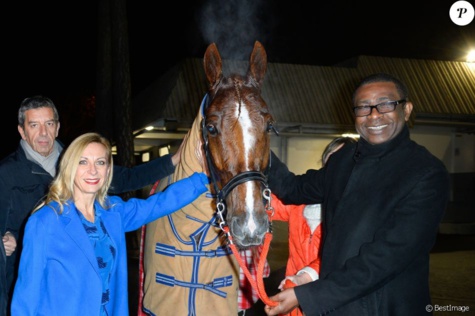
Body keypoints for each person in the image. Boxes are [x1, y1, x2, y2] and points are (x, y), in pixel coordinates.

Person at [264, 73, 450, 315]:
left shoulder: (426, 172)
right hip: (336, 307)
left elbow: (387, 257)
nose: (373, 115)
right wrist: (255, 147)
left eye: (385, 104)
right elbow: (292, 189)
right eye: (363, 107)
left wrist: (307, 294)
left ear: (406, 110)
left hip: (388, 307)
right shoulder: (343, 161)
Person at [0, 95, 180, 308]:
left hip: (88, 287)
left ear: (57, 127)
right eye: (34, 125)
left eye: (48, 124)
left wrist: (173, 161)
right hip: (27, 284)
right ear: (22, 131)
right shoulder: (6, 173)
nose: (43, 133)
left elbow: (129, 178)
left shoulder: (81, 160)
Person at [10, 132, 208, 315]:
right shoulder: (45, 221)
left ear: (108, 170)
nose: (93, 171)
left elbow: (159, 204)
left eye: (100, 162)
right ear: (70, 167)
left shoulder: (113, 212)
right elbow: (26, 295)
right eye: (83, 162)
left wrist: (202, 177)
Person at [241, 137, 356, 316]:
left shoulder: (352, 213)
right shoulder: (300, 203)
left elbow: (342, 257)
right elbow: (269, 206)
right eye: (330, 160)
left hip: (326, 299)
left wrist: (303, 278)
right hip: (292, 298)